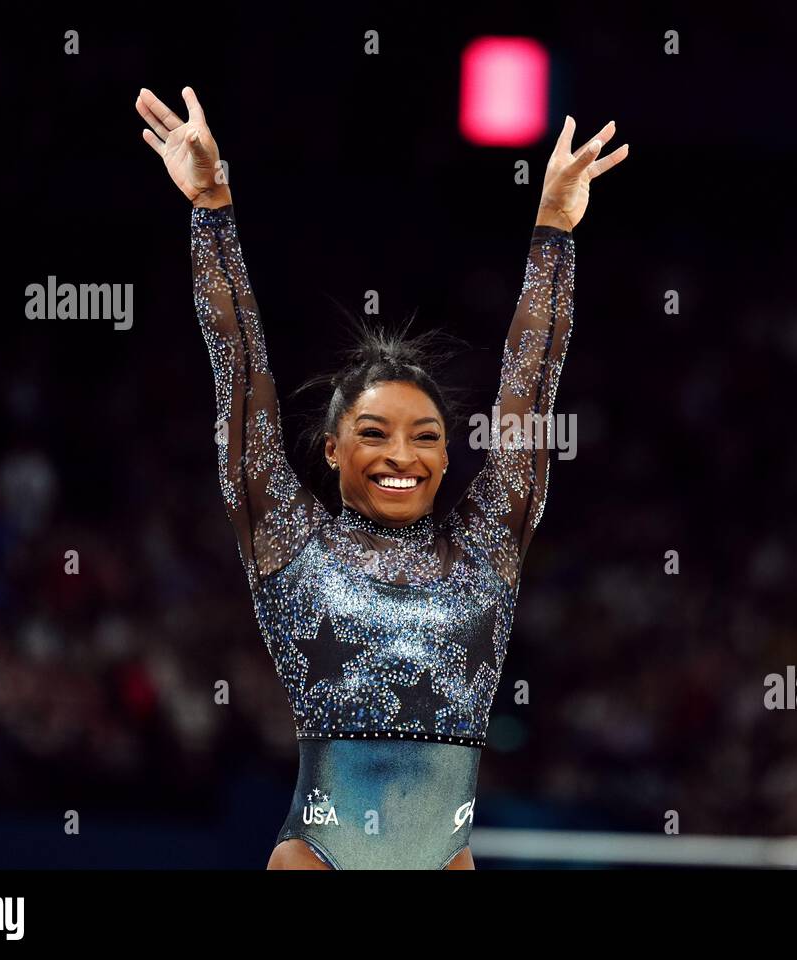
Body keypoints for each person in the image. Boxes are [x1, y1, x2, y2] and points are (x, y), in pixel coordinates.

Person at [134, 85, 628, 868]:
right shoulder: (290, 544)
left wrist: (554, 231)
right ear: (331, 450)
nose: (403, 454)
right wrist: (211, 206)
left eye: (425, 436)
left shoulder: (487, 546)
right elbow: (239, 369)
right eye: (374, 434)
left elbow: (532, 384)